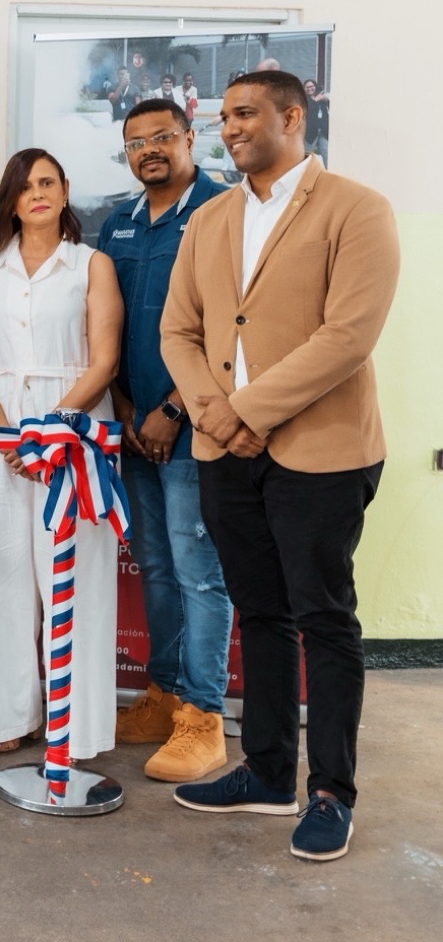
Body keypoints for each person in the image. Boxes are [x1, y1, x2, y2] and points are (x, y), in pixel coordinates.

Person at [162, 70, 399, 862]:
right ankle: (267, 774)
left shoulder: (357, 210)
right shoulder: (211, 218)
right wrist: (214, 413)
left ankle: (331, 792)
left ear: (292, 117)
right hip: (226, 452)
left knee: (324, 621)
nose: (227, 128)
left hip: (321, 453)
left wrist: (248, 411)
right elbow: (180, 333)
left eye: (244, 113)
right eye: (222, 116)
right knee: (261, 617)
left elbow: (348, 335)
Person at [0, 149, 124, 759]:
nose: (37, 193)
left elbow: (103, 360)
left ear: (64, 193)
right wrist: (9, 432)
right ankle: (8, 714)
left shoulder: (92, 265)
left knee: (75, 576)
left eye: (48, 183)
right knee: (3, 570)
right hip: (3, 433)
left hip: (73, 429)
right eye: (25, 185)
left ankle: (76, 725)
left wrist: (51, 426)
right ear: (9, 199)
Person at [101, 100, 232, 783]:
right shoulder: (117, 223)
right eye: (135, 142)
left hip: (195, 427)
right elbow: (109, 327)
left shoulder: (222, 212)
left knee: (197, 572)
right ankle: (163, 694)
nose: (148, 150)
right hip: (132, 427)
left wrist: (173, 411)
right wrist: (125, 405)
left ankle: (204, 717)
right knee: (153, 567)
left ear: (189, 139)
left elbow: (231, 327)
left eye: (161, 138)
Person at [303, 79, 331, 163]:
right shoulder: (303, 99)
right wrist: (316, 100)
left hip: (323, 132)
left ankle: (326, 174)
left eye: (311, 86)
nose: (309, 88)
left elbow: (330, 108)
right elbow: (308, 109)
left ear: (315, 87)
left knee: (326, 155)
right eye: (307, 87)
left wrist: (327, 100)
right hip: (310, 134)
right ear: (304, 88)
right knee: (307, 156)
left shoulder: (321, 98)